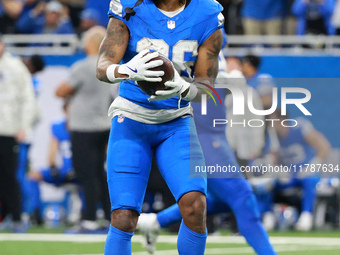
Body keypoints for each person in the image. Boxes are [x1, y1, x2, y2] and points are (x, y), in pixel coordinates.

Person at [96, 0, 224, 254]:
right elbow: (102, 66)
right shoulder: (130, 6)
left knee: (195, 206)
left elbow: (207, 86)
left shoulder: (208, 13)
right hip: (131, 118)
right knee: (123, 216)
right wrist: (125, 70)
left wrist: (186, 89)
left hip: (175, 121)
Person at [138, 54, 277, 255]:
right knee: (242, 196)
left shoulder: (208, 40)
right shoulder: (194, 39)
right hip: (203, 133)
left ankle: (155, 221)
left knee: (220, 199)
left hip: (211, 133)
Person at [56, 26, 113, 233]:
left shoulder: (82, 66)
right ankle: (109, 218)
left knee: (87, 174)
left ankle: (88, 219)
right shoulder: (110, 65)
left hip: (83, 128)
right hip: (104, 125)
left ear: (90, 43)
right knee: (101, 174)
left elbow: (60, 91)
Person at [270, 109, 331, 231]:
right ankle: (268, 215)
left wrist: (312, 165)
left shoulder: (299, 128)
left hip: (305, 173)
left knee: (310, 179)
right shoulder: (273, 137)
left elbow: (324, 146)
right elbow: (272, 158)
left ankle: (306, 215)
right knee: (268, 183)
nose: (270, 124)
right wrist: (278, 170)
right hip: (288, 177)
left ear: (281, 120)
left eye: (273, 120)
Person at [0, 36, 36, 232]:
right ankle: (4, 216)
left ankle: (16, 216)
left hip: (8, 130)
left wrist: (24, 126)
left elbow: (27, 98)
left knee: (9, 176)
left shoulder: (15, 67)